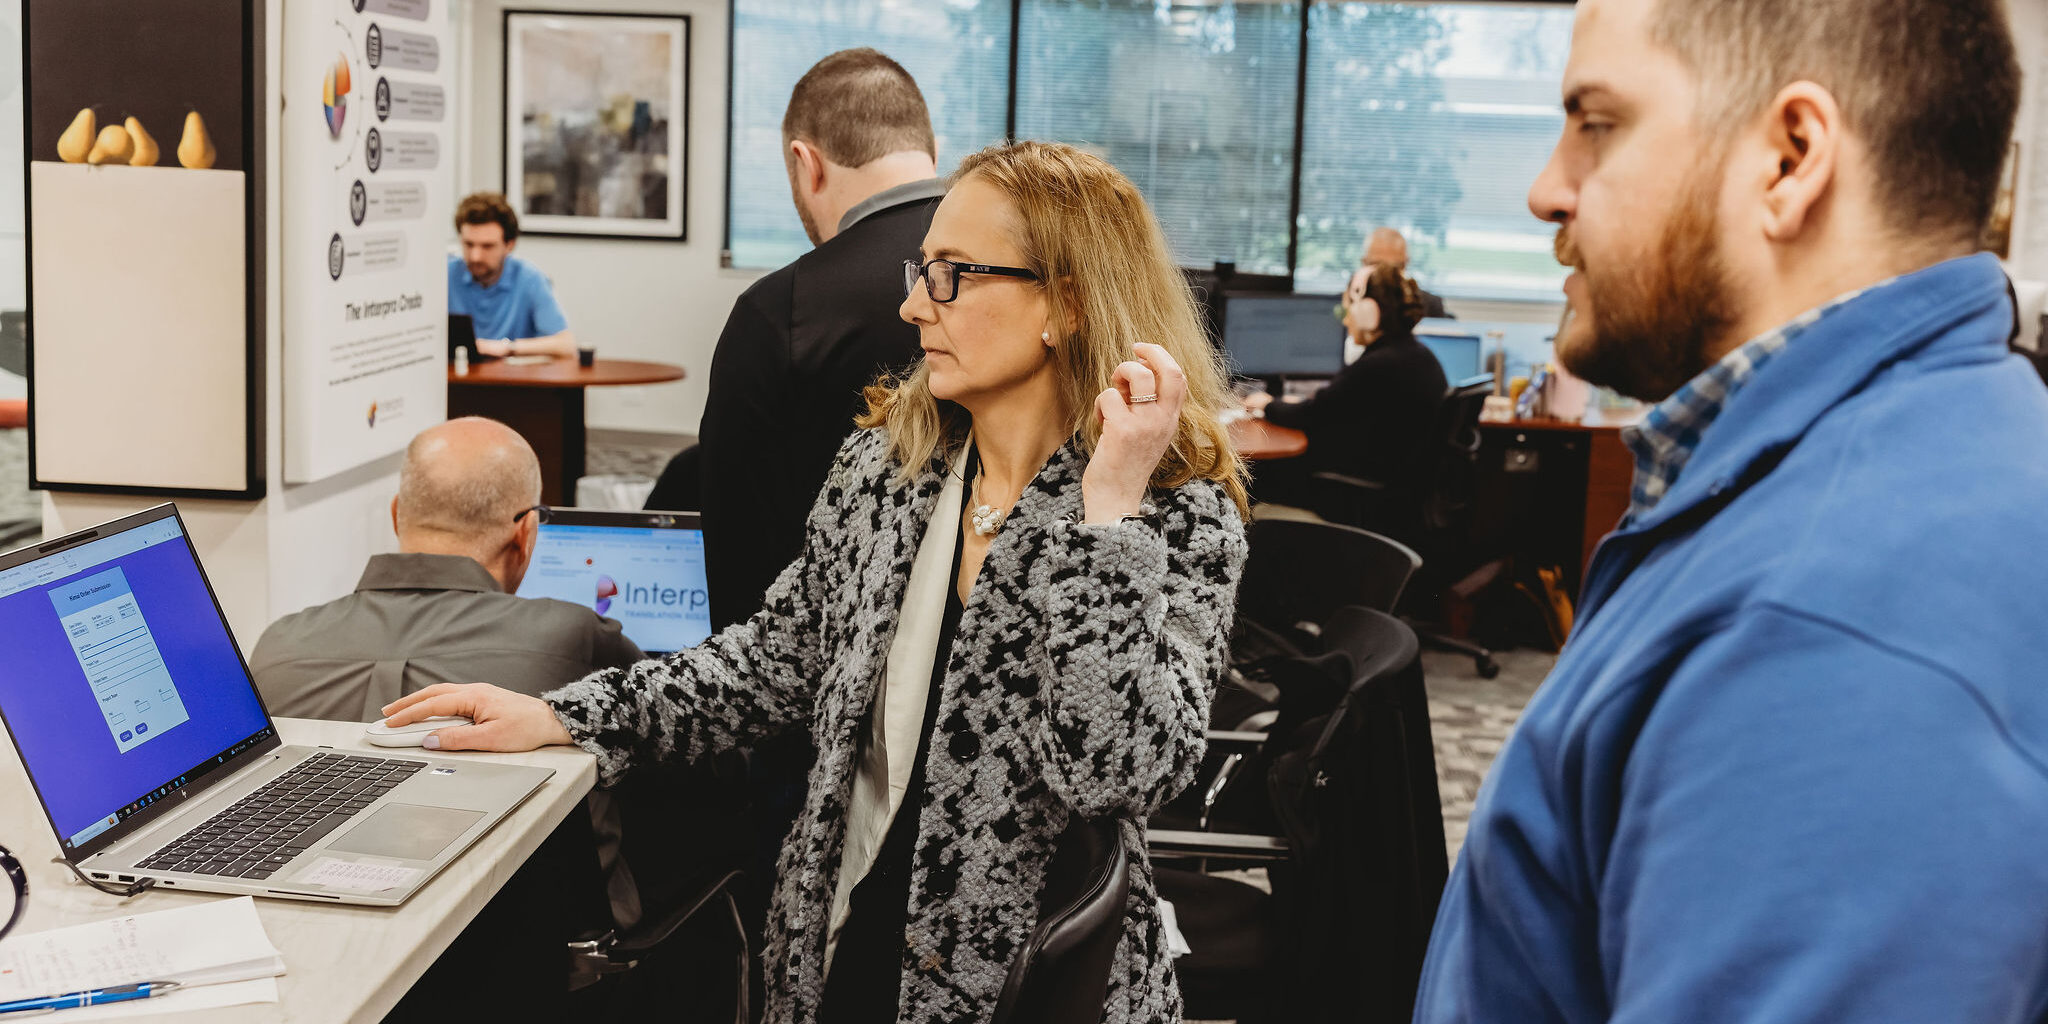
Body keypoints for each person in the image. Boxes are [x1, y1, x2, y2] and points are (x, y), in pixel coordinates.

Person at [383, 140, 1251, 1023]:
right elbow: (776, 658)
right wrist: (566, 714)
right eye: (923, 268)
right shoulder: (891, 469)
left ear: (1063, 302)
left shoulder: (1171, 511)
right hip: (849, 941)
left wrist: (1108, 514)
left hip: (1041, 978)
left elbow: (1120, 773)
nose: (915, 304)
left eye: (951, 275)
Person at [1415, 0, 2048, 1021]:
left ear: (1788, 158)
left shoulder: (1838, 618)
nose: (1544, 190)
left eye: (1596, 123)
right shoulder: (1851, 474)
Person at [664, 48, 945, 631]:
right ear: (932, 151)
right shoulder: (1029, 283)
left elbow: (740, 561)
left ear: (805, 162)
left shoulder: (780, 313)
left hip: (819, 667)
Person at [1242, 262, 1446, 512]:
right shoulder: (1417, 356)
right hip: (1393, 489)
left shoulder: (1378, 365)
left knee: (1249, 477)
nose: (1346, 321)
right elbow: (1332, 407)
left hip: (1360, 495)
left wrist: (1268, 404)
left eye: (1348, 310)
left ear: (1367, 312)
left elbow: (1311, 415)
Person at [447, 192, 578, 359]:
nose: (475, 256)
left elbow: (566, 345)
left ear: (509, 245)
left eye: (487, 246)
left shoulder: (529, 278)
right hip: (458, 380)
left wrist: (507, 347)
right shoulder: (445, 275)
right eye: (468, 244)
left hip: (512, 380)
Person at [1362, 226, 1448, 318]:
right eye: (1376, 265)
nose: (1384, 274)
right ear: (1364, 263)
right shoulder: (1348, 303)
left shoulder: (1430, 306)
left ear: (1406, 264)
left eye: (1393, 267)